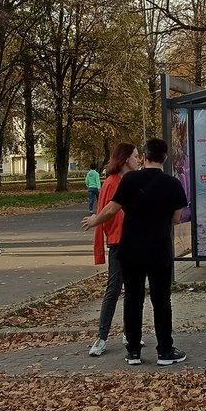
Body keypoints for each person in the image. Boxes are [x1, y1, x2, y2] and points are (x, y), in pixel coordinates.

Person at [82, 137, 187, 366]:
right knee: (161, 300)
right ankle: (165, 351)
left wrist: (94, 220)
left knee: (133, 299)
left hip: (131, 250)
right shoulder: (173, 184)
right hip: (159, 250)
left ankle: (133, 353)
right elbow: (177, 218)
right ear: (165, 158)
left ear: (144, 158)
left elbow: (112, 209)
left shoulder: (129, 179)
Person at [88, 143, 141, 356]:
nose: (139, 160)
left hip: (135, 242)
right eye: (136, 156)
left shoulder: (134, 181)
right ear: (126, 158)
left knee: (133, 291)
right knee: (113, 290)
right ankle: (101, 338)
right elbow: (103, 215)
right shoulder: (111, 183)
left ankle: (130, 334)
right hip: (118, 243)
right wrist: (99, 250)